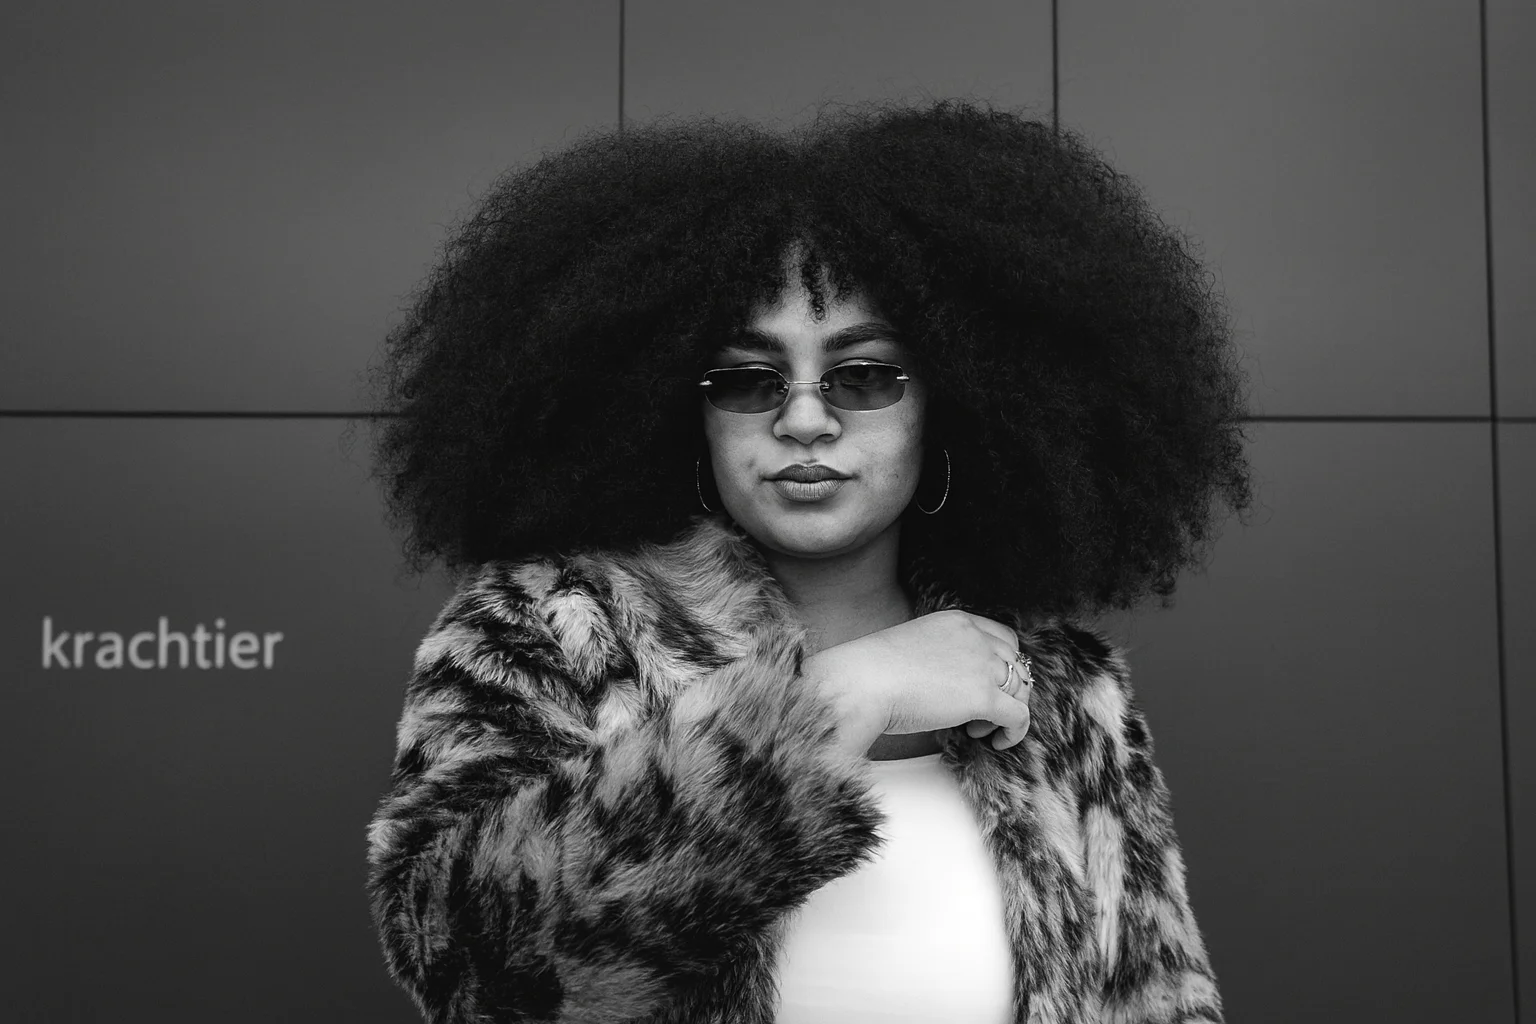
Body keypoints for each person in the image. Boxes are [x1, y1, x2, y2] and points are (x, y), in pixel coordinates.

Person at [356, 97, 1254, 1023]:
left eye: (863, 376)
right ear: (680, 410)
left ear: (957, 401)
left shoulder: (1061, 694)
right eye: (749, 379)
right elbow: (468, 963)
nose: (805, 418)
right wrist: (843, 702)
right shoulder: (552, 630)